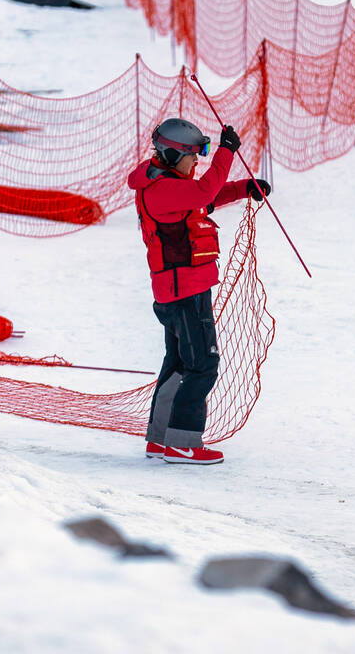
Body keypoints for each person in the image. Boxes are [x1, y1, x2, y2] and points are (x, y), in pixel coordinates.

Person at [127, 118, 271, 465]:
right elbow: (204, 192)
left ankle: (161, 439)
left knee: (178, 364)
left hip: (180, 291)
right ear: (172, 154)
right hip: (185, 292)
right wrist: (226, 151)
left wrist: (243, 188)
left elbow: (205, 200)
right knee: (203, 365)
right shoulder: (161, 191)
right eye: (194, 156)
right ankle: (183, 443)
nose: (198, 163)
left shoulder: (170, 187)